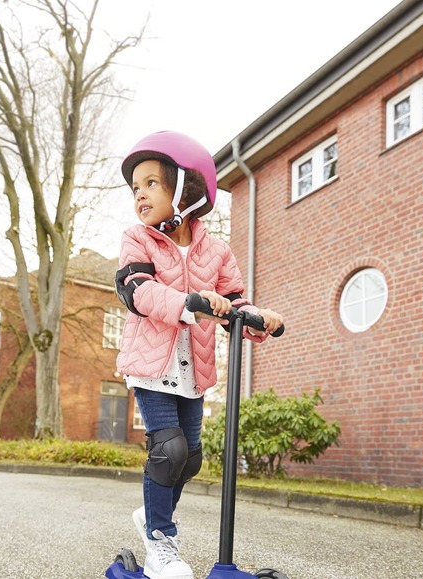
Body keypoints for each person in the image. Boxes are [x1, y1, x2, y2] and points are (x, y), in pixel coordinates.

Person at [115, 130, 284, 579]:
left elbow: (233, 302)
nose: (141, 195)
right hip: (150, 365)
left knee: (189, 457)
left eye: (151, 183)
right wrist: (188, 303)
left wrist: (257, 318)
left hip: (193, 367)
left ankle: (150, 515)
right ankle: (159, 542)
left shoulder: (218, 251)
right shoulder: (138, 239)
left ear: (186, 188)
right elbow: (138, 291)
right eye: (136, 188)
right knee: (167, 451)